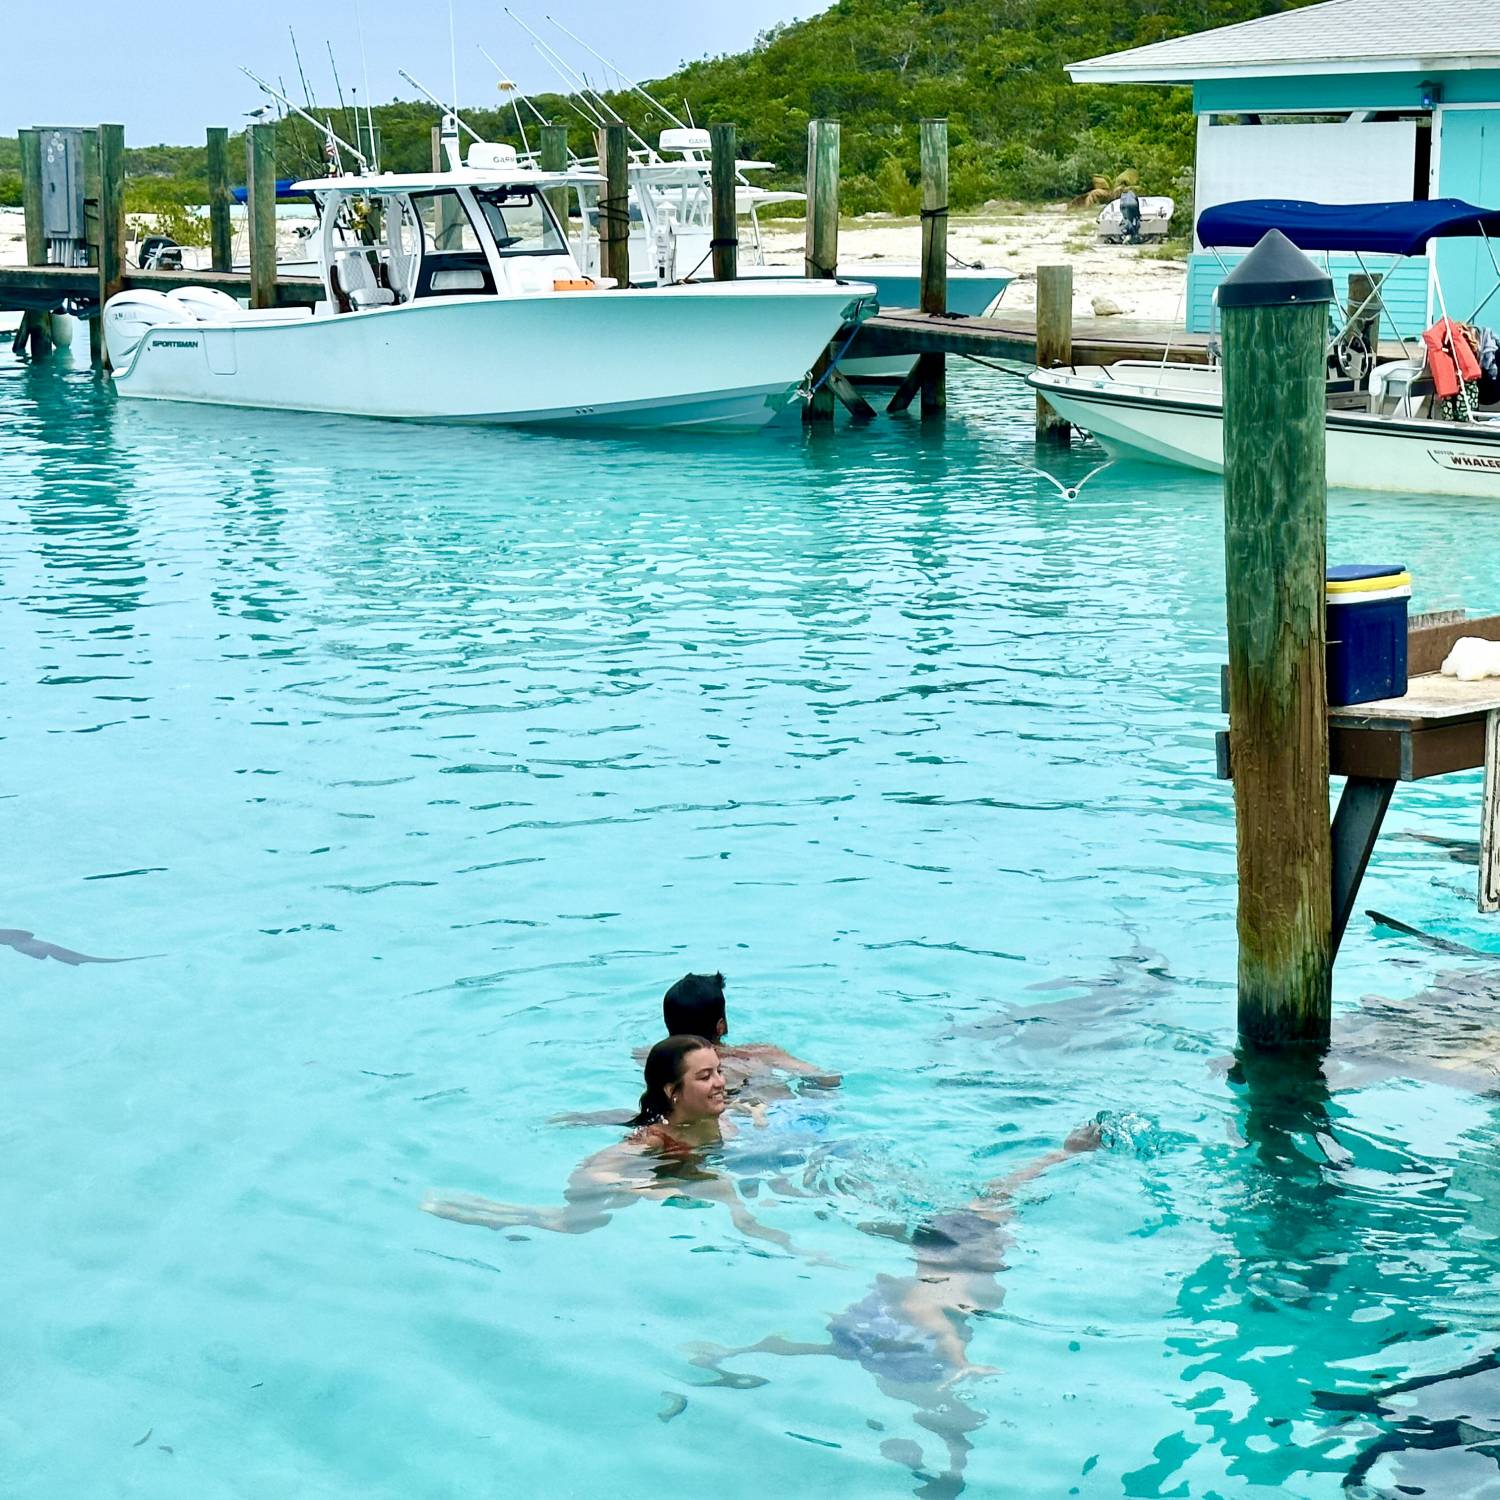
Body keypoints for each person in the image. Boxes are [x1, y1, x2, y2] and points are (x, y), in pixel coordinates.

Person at [692, 1122, 1102, 1497]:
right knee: (954, 1413)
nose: (1006, 1249)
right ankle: (953, 1474)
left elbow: (1004, 1189)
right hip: (907, 1335)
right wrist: (960, 1362)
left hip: (879, 1315)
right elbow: (927, 1312)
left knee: (836, 1351)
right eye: (1000, 1247)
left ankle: (734, 1355)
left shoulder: (970, 1238)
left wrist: (1067, 1152)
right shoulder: (957, 1280)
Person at [423, 1035, 798, 1253]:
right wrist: (649, 1187)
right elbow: (590, 1172)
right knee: (577, 1224)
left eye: (719, 1071)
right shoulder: (653, 1139)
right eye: (705, 1076)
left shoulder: (726, 1116)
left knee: (580, 1225)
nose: (720, 1082)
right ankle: (499, 1214)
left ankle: (513, 1215)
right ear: (673, 1091)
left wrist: (761, 1118)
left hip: (686, 1170)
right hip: (647, 1175)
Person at [663, 971, 840, 1092]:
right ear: (720, 1026)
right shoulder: (758, 1054)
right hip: (767, 1116)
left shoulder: (656, 1060)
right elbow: (828, 1079)